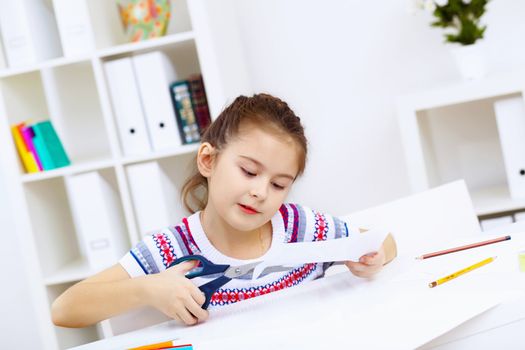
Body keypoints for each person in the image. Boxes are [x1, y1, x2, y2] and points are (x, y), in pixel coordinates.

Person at [52, 93, 397, 328]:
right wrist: (150, 288)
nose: (260, 191)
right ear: (208, 160)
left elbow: (384, 242)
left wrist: (373, 258)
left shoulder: (299, 226)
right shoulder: (172, 249)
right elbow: (65, 309)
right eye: (248, 171)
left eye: (279, 185)